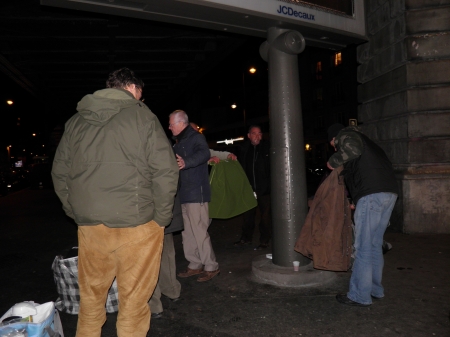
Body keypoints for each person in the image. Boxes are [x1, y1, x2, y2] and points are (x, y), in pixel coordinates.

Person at [51, 68, 179, 337]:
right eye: (140, 94)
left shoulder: (76, 121)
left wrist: (74, 210)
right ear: (132, 87)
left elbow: (60, 172)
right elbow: (165, 170)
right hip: (138, 224)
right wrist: (161, 218)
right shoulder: (142, 116)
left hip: (90, 226)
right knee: (133, 303)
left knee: (91, 300)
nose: (140, 99)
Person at [327, 123, 398, 307]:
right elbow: (365, 170)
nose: (335, 146)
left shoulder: (346, 135)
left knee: (363, 247)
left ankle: (359, 295)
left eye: (333, 143)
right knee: (374, 245)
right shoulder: (369, 142)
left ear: (334, 138)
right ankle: (374, 289)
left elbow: (353, 150)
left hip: (372, 194)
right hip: (388, 193)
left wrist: (333, 161)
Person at [169, 110, 220, 282]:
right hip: (184, 194)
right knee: (188, 233)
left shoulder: (195, 137)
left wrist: (186, 162)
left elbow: (204, 154)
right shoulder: (178, 142)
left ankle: (211, 266)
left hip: (196, 193)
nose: (169, 127)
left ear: (181, 123)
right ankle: (195, 264)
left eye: (171, 124)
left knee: (199, 231)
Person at [235, 125, 271, 250]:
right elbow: (240, 167)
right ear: (249, 135)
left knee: (266, 217)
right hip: (248, 189)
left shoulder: (267, 148)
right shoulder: (244, 149)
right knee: (247, 216)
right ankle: (246, 238)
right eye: (254, 133)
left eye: (259, 133)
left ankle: (264, 240)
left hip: (265, 189)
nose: (257, 136)